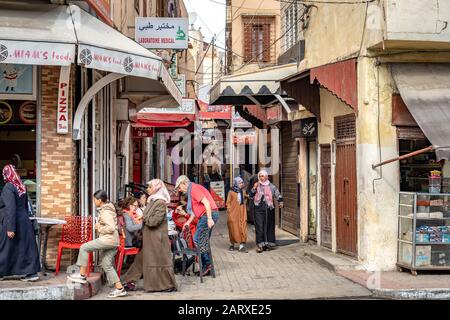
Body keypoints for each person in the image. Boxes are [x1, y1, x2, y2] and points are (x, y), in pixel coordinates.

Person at [68, 190, 127, 298]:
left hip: (108, 239)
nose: (94, 201)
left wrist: (99, 228)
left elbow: (111, 228)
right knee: (106, 263)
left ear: (100, 200)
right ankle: (120, 289)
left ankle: (81, 275)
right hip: (113, 241)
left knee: (84, 247)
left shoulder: (106, 212)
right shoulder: (106, 209)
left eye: (95, 199)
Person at [123, 179, 177, 292]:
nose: (147, 189)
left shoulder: (160, 203)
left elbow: (153, 222)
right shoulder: (152, 201)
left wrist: (143, 218)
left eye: (149, 187)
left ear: (156, 189)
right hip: (149, 238)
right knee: (140, 260)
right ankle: (130, 282)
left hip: (156, 240)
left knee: (157, 262)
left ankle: (166, 285)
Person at [0, 165, 40, 281]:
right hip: (24, 220)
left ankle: (2, 272)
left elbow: (11, 208)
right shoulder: (21, 186)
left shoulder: (8, 187)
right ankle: (31, 273)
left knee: (4, 247)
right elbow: (25, 206)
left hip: (12, 221)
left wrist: (11, 228)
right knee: (25, 247)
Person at [175, 175, 219, 276]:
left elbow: (206, 203)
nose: (180, 190)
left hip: (208, 214)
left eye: (179, 187)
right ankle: (206, 266)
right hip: (207, 214)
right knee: (203, 239)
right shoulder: (192, 190)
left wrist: (209, 218)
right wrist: (188, 222)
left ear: (184, 183)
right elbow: (196, 210)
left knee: (198, 239)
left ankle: (207, 264)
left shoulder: (194, 189)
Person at [249, 170, 284, 253]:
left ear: (266, 176)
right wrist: (254, 188)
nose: (261, 177)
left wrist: (281, 202)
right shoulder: (256, 185)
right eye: (260, 176)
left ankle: (267, 244)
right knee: (259, 227)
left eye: (263, 176)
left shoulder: (271, 186)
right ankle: (260, 245)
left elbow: (277, 194)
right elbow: (250, 196)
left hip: (269, 210)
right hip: (258, 209)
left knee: (268, 226)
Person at [226, 177, 248, 253]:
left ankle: (242, 246)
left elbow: (246, 197)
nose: (241, 184)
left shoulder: (243, 191)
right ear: (236, 183)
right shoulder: (231, 192)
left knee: (243, 227)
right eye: (240, 183)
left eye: (242, 182)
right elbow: (228, 203)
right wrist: (229, 212)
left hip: (242, 213)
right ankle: (232, 244)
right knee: (233, 228)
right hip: (233, 213)